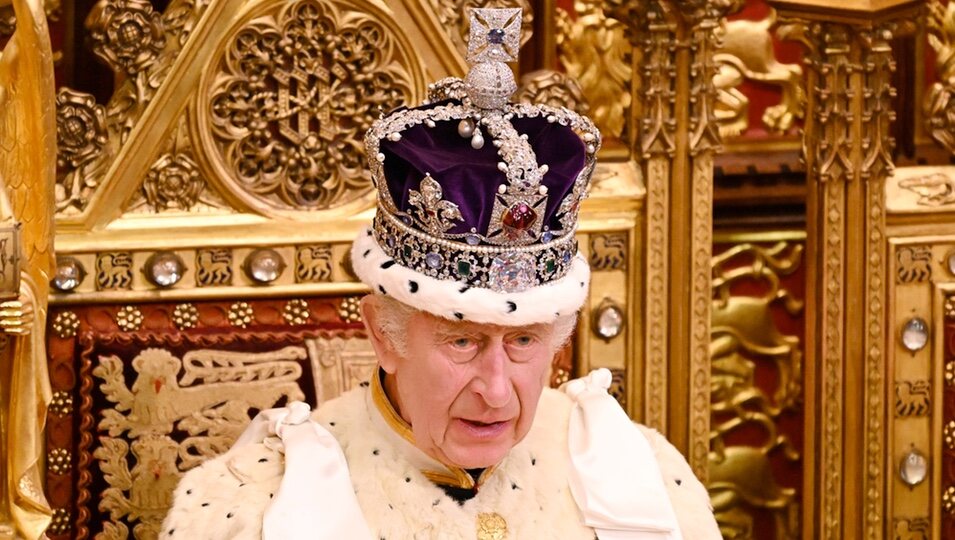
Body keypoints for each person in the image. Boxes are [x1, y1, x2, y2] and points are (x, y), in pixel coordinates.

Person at [161, 8, 720, 539]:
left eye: (523, 341)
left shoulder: (641, 478)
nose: (497, 392)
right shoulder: (255, 505)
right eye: (462, 341)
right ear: (384, 335)